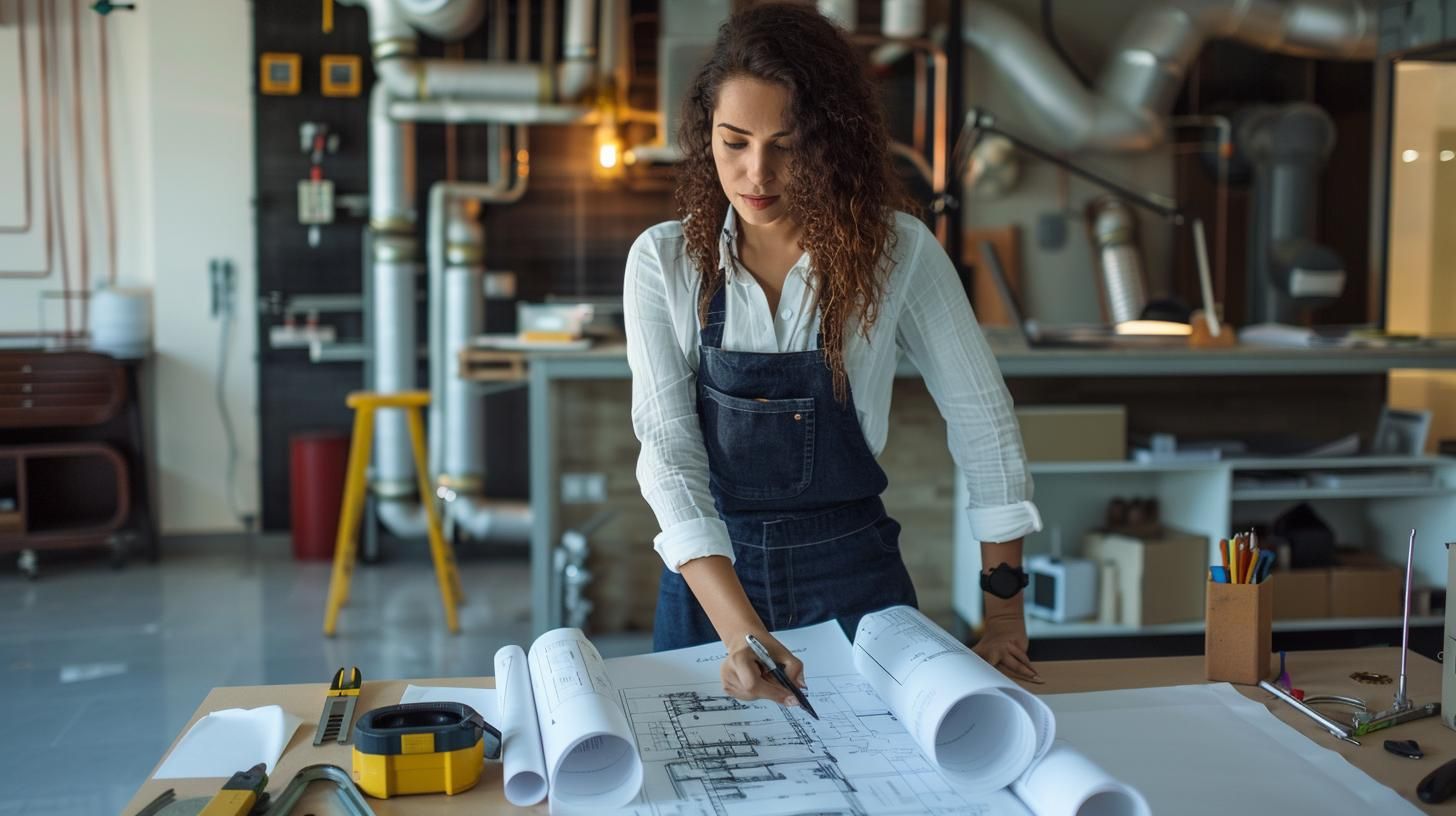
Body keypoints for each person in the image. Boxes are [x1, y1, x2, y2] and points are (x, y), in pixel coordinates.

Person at [623, 2, 1043, 709]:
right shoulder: (663, 260)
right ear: (707, 140)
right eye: (735, 142)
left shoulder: (897, 250)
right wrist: (740, 633)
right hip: (712, 587)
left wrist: (1003, 612)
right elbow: (668, 454)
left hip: (856, 579)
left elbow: (985, 423)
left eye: (787, 145)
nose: (758, 172)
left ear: (831, 142)